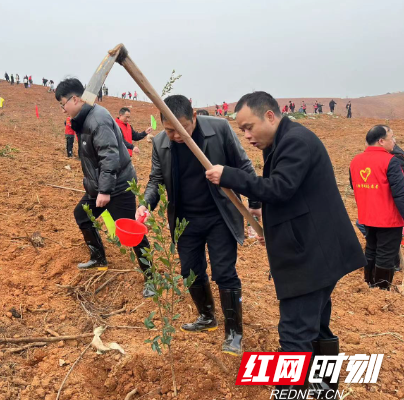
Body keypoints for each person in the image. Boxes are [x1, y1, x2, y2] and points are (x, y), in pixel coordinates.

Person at [205, 91, 366, 396]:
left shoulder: (296, 141)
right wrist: (272, 227)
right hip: (314, 250)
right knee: (315, 325)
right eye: (242, 131)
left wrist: (230, 175)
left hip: (311, 257)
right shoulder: (282, 141)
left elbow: (280, 188)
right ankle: (323, 388)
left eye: (249, 127)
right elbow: (291, 198)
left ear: (269, 115)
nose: (247, 136)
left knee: (294, 334)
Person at [136, 95, 261, 356]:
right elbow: (155, 180)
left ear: (193, 117)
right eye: (169, 130)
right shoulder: (161, 143)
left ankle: (234, 332)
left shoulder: (219, 129)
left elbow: (244, 166)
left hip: (219, 215)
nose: (176, 136)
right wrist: (146, 203)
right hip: (185, 220)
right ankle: (207, 316)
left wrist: (255, 202)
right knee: (190, 271)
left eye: (181, 128)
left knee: (224, 272)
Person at [55, 78, 153, 297]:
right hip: (100, 184)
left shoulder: (97, 119)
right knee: (82, 214)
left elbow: (110, 156)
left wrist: (105, 191)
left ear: (75, 99)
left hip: (118, 185)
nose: (63, 110)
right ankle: (98, 258)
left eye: (63, 104)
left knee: (131, 231)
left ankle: (151, 278)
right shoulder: (85, 117)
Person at [350, 125, 404, 290]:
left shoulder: (355, 161)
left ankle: (369, 285)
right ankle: (381, 290)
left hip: (367, 216)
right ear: (381, 141)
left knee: (371, 249)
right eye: (391, 138)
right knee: (386, 255)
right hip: (389, 219)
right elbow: (400, 194)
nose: (394, 141)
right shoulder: (390, 161)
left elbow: (355, 186)